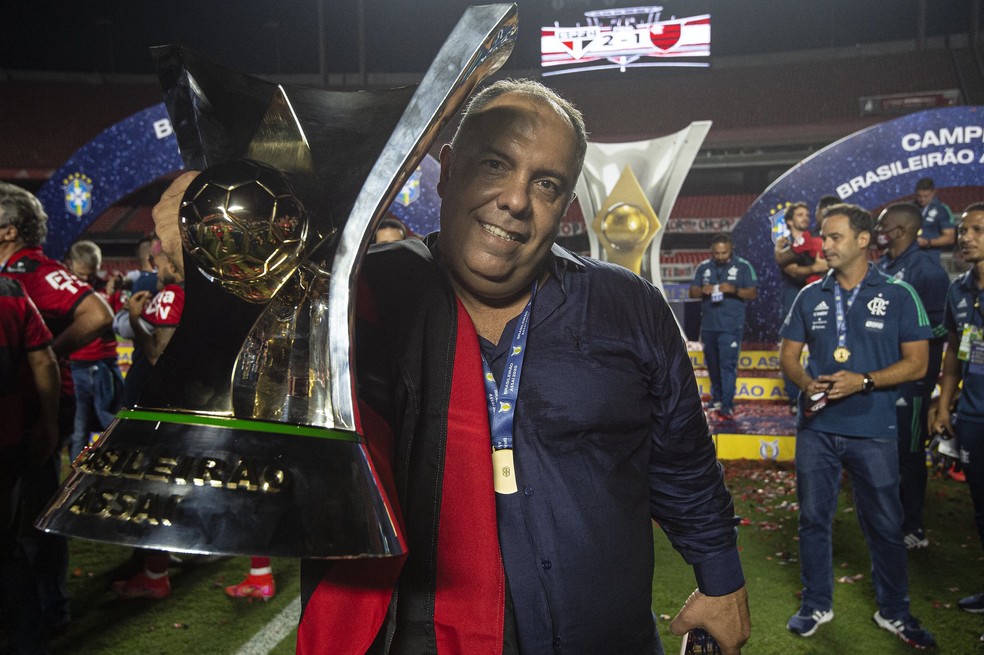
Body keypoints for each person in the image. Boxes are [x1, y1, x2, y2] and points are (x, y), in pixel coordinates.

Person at [153, 79, 750, 654]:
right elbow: (240, 441)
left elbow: (683, 462)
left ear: (566, 204)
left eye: (545, 184)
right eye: (495, 163)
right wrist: (224, 279)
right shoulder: (355, 299)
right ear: (447, 166)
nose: (516, 200)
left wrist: (722, 580)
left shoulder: (629, 306)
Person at [779, 203, 936, 649]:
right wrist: (808, 384)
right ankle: (816, 604)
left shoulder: (900, 294)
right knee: (813, 519)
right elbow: (788, 357)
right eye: (823, 238)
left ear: (863, 240)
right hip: (817, 429)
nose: (823, 245)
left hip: (874, 430)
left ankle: (894, 611)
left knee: (885, 524)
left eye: (833, 237)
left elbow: (918, 364)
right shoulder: (810, 295)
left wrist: (863, 381)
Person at [0, 181, 113, 635]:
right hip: (27, 406)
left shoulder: (32, 272)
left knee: (34, 510)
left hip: (37, 408)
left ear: (8, 231)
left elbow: (98, 314)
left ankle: (48, 608)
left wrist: (48, 353)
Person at [111, 237, 185, 600]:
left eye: (161, 264)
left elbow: (158, 356)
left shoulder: (172, 295)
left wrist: (137, 320)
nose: (156, 270)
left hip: (159, 404)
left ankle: (156, 572)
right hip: (182, 401)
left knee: (153, 486)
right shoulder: (194, 295)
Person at [874, 203, 951, 550]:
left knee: (910, 452)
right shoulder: (886, 266)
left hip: (914, 382)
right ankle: (893, 518)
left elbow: (938, 332)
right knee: (890, 452)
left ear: (901, 230)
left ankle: (914, 528)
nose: (878, 232)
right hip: (889, 377)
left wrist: (924, 382)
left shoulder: (928, 273)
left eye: (882, 226)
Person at [0, 277, 60, 655]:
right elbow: (43, 359)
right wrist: (49, 421)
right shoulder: (9, 294)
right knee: (5, 543)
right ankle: (27, 638)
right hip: (7, 438)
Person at [931, 202, 984, 622]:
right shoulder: (959, 289)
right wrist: (945, 405)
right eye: (964, 230)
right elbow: (953, 353)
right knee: (980, 508)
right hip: (972, 415)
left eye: (978, 230)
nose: (966, 237)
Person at [64, 240, 124, 459]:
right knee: (79, 427)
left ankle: (112, 463)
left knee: (111, 420)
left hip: (105, 363)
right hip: (78, 366)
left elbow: (116, 322)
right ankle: (75, 472)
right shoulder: (65, 290)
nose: (88, 279)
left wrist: (112, 295)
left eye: (91, 274)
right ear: (71, 265)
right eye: (82, 274)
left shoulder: (105, 286)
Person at [689, 233, 758, 420]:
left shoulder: (743, 266)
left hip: (730, 326)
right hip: (709, 326)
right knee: (712, 364)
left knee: (727, 365)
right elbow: (692, 291)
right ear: (711, 251)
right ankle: (717, 399)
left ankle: (727, 404)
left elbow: (752, 292)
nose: (720, 256)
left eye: (724, 252)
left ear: (731, 249)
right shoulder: (703, 267)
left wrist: (734, 290)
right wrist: (702, 290)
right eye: (717, 253)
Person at [774, 202, 826, 414]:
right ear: (789, 220)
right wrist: (815, 267)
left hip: (817, 295)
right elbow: (792, 270)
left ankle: (820, 391)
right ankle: (795, 397)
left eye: (807, 214)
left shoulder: (815, 239)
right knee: (790, 350)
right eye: (800, 215)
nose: (805, 218)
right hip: (793, 295)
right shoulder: (785, 244)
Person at [913, 177, 955, 264]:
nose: (922, 199)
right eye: (919, 196)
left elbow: (950, 237)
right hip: (909, 257)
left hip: (930, 258)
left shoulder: (942, 210)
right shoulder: (909, 208)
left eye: (926, 196)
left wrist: (928, 242)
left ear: (933, 193)